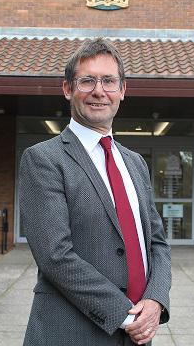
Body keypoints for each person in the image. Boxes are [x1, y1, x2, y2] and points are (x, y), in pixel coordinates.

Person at [19, 38, 171, 346]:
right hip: (71, 332)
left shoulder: (135, 163)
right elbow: (55, 256)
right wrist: (126, 315)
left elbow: (157, 242)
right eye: (87, 80)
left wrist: (155, 301)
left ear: (122, 90)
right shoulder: (43, 159)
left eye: (108, 81)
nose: (99, 91)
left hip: (139, 335)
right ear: (67, 89)